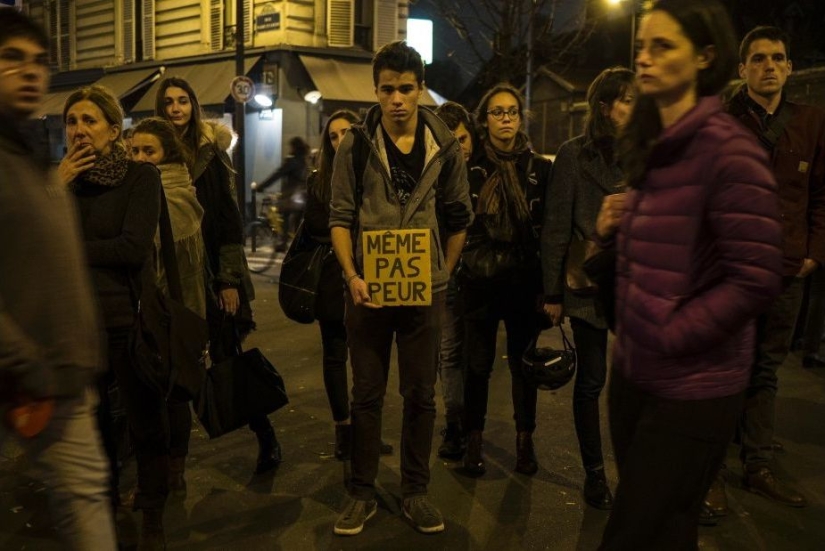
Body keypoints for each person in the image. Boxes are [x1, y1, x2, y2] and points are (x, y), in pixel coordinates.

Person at [594, 1, 783, 548]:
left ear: (705, 56)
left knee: (631, 535)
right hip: (634, 376)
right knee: (668, 532)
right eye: (641, 48)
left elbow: (756, 276)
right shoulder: (655, 145)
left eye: (662, 47)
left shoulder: (731, 151)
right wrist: (619, 224)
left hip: (693, 390)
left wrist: (673, 334)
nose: (645, 60)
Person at [328, 41, 472, 536]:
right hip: (367, 292)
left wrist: (443, 274)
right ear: (375, 90)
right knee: (365, 395)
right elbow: (340, 217)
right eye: (387, 89)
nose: (396, 99)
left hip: (423, 291)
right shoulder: (355, 143)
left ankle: (416, 491)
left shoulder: (444, 144)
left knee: (421, 396)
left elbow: (458, 217)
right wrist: (352, 276)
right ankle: (361, 493)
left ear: (420, 89)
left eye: (406, 89)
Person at [0, 10, 116, 549]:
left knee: (85, 502)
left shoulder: (30, 155)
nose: (30, 73)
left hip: (64, 376)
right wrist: (33, 367)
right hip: (38, 378)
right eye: (12, 59)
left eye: (40, 62)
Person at [700, 26, 825, 521]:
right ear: (742, 69)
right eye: (758, 59)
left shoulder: (812, 123)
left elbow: (821, 195)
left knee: (766, 372)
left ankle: (758, 465)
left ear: (790, 67)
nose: (769, 66)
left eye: (778, 58)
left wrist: (813, 254)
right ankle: (710, 475)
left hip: (786, 271)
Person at [58, 85, 168, 549]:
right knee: (94, 425)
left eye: (89, 120)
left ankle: (152, 520)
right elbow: (30, 247)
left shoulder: (140, 178)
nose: (79, 130)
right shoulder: (61, 182)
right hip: (75, 323)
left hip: (127, 320)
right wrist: (54, 186)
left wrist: (69, 252)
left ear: (113, 127)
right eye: (71, 122)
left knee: (144, 422)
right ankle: (103, 511)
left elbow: (132, 247)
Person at [154, 77, 282, 475]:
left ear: (193, 106)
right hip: (170, 277)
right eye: (169, 103)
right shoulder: (154, 155)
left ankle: (266, 436)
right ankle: (172, 462)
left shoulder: (210, 153)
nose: (176, 109)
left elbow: (228, 220)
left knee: (228, 360)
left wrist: (228, 280)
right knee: (173, 366)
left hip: (210, 273)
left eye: (183, 101)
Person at [541, 66, 636, 510]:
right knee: (592, 380)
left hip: (639, 284)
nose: (637, 109)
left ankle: (639, 472)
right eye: (628, 100)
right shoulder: (574, 155)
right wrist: (552, 293)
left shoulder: (648, 153)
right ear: (605, 107)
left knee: (639, 385)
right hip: (590, 284)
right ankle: (595, 473)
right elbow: (556, 228)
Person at [460, 84, 550, 477]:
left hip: (524, 283)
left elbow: (550, 231)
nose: (506, 118)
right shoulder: (469, 168)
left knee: (523, 366)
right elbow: (457, 225)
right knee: (476, 367)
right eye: (497, 112)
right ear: (484, 120)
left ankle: (524, 441)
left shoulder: (540, 169)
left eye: (512, 111)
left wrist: (552, 289)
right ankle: (473, 440)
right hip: (479, 282)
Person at [303, 109, 393, 460]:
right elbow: (314, 223)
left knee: (368, 357)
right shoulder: (319, 179)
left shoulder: (370, 172)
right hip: (331, 276)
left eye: (345, 133)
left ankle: (366, 430)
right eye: (333, 136)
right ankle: (343, 429)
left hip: (370, 271)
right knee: (336, 354)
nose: (340, 140)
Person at [130, 116, 206, 495]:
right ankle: (157, 472)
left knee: (176, 392)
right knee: (144, 399)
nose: (141, 158)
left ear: (168, 156)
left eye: (149, 151)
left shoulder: (179, 194)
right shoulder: (132, 190)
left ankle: (175, 468)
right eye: (135, 151)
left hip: (176, 310)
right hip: (139, 310)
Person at [432, 100, 477, 459]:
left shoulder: (479, 171)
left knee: (455, 356)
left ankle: (458, 425)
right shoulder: (435, 173)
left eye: (463, 139)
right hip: (438, 275)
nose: (459, 147)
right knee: (444, 355)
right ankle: (454, 423)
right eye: (452, 140)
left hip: (469, 277)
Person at [256, 135, 311, 244]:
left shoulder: (292, 160)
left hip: (291, 196)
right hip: (302, 197)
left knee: (285, 215)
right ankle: (298, 243)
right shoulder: (304, 161)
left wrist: (262, 186)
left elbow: (277, 174)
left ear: (294, 147)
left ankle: (283, 242)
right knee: (298, 221)